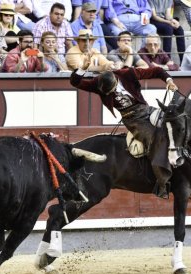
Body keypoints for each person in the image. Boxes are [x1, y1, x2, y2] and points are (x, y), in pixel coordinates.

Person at [70, 52, 178, 199]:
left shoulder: (127, 74)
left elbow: (157, 70)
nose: (110, 93)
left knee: (175, 125)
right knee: (152, 140)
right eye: (106, 92)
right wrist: (82, 68)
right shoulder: (97, 84)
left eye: (111, 90)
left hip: (146, 110)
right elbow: (75, 82)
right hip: (132, 119)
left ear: (115, 80)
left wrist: (169, 81)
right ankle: (162, 183)